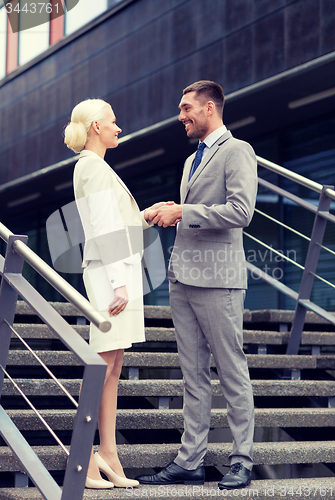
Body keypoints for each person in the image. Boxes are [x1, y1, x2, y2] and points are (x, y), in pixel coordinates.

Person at [136, 81, 257, 490]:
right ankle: (191, 461)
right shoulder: (191, 161)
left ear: (210, 108)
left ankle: (242, 460)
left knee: (231, 370)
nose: (181, 116)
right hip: (182, 277)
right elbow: (193, 211)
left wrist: (183, 210)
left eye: (186, 108)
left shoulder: (237, 151)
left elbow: (241, 211)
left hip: (219, 280)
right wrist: (167, 210)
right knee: (192, 375)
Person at [64, 99, 161, 489]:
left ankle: (108, 452)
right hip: (110, 276)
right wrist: (120, 284)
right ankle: (86, 456)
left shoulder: (96, 167)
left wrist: (143, 214)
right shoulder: (91, 166)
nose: (119, 127)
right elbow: (103, 229)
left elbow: (114, 223)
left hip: (114, 271)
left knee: (114, 367)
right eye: (113, 122)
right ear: (95, 128)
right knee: (102, 369)